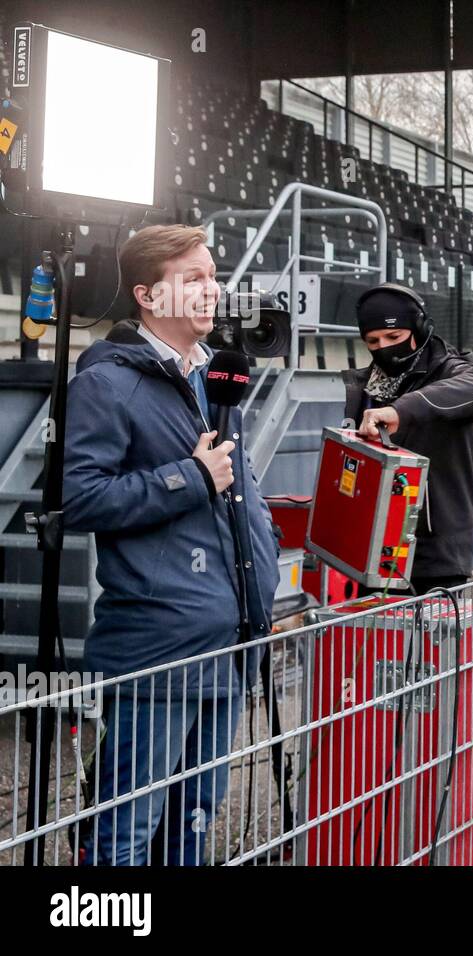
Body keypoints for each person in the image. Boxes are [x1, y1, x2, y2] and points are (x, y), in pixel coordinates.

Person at [63, 224, 280, 865]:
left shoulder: (215, 377)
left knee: (189, 833)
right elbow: (80, 498)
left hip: (229, 644)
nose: (213, 290)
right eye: (193, 279)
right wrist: (187, 477)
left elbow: (242, 490)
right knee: (123, 840)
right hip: (157, 657)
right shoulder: (106, 383)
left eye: (213, 276)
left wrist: (262, 568)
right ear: (148, 296)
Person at [342, 282, 473, 591]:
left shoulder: (452, 370)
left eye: (394, 337)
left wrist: (401, 411)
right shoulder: (364, 387)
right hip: (373, 552)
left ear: (420, 329)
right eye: (373, 340)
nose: (383, 347)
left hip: (435, 556)